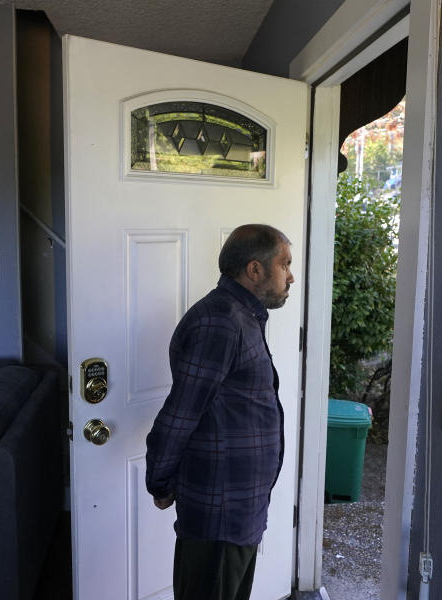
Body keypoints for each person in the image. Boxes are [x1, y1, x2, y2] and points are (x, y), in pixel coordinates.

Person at [145, 223, 295, 600]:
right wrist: (160, 482)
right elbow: (181, 414)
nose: (291, 277)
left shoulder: (243, 317)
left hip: (239, 509)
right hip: (220, 513)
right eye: (285, 265)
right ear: (255, 269)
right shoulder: (221, 322)